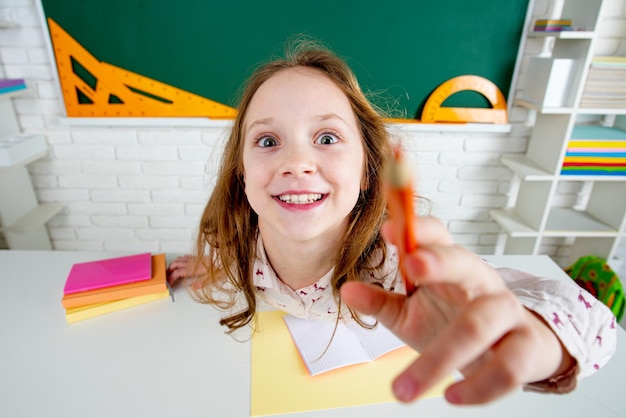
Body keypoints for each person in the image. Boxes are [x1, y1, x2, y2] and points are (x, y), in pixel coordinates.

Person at [167, 39, 616, 406]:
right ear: (242, 171)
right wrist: (218, 266)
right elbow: (235, 260)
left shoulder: (398, 262)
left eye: (327, 138)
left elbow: (590, 320)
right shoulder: (236, 246)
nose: (297, 162)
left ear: (366, 171)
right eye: (268, 140)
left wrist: (541, 342)